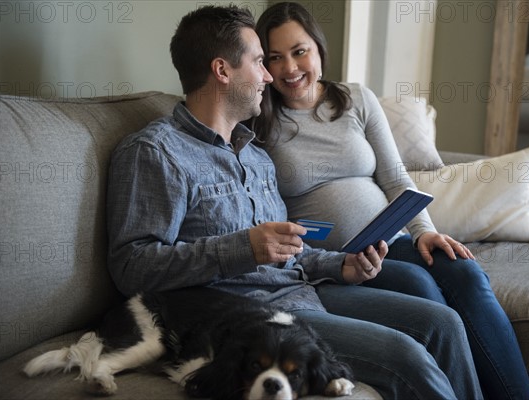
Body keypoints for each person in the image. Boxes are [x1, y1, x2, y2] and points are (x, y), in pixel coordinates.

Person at [106, 5, 483, 399]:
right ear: (222, 71)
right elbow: (132, 267)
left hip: (302, 292)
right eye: (259, 61)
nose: (269, 76)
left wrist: (344, 267)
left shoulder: (255, 156)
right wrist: (241, 249)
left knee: (442, 323)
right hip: (246, 315)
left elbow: (291, 255)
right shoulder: (155, 152)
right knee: (406, 356)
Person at [251, 2, 529, 399]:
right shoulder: (259, 121)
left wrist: (424, 232)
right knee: (421, 287)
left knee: (466, 274)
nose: (290, 68)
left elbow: (395, 177)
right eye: (275, 58)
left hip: (394, 240)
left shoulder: (354, 99)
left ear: (318, 49)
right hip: (340, 259)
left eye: (299, 51)